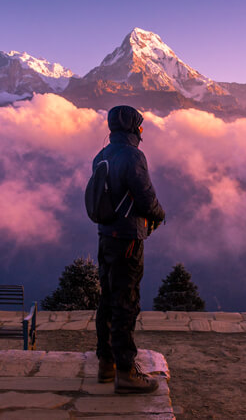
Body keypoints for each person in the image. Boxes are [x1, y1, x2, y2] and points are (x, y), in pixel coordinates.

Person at [93, 105, 165, 394]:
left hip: (105, 235)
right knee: (127, 301)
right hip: (128, 237)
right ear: (134, 127)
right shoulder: (133, 156)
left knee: (108, 297)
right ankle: (126, 372)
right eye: (140, 126)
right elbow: (146, 197)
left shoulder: (102, 156)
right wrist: (159, 215)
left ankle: (105, 364)